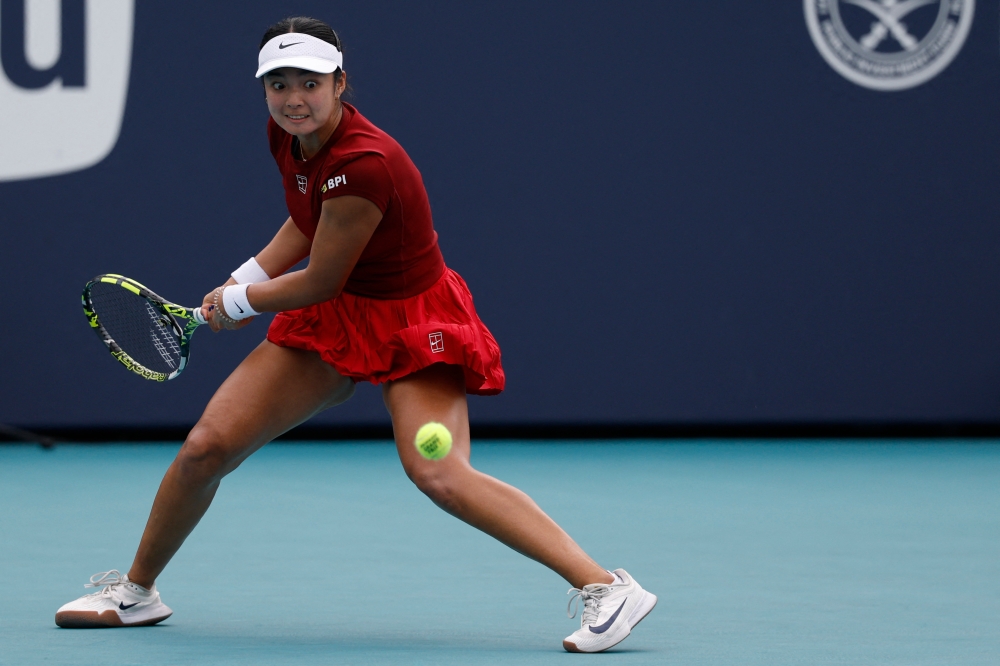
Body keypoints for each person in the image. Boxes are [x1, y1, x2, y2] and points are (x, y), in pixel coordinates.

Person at [54, 16, 656, 653]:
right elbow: (306, 221)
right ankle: (137, 593)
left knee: (439, 473)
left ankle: (606, 587)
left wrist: (239, 303)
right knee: (207, 446)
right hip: (334, 321)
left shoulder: (366, 164)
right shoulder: (290, 136)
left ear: (341, 82)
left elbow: (321, 279)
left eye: (309, 83)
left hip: (409, 322)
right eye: (278, 84)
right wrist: (246, 274)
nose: (293, 98)